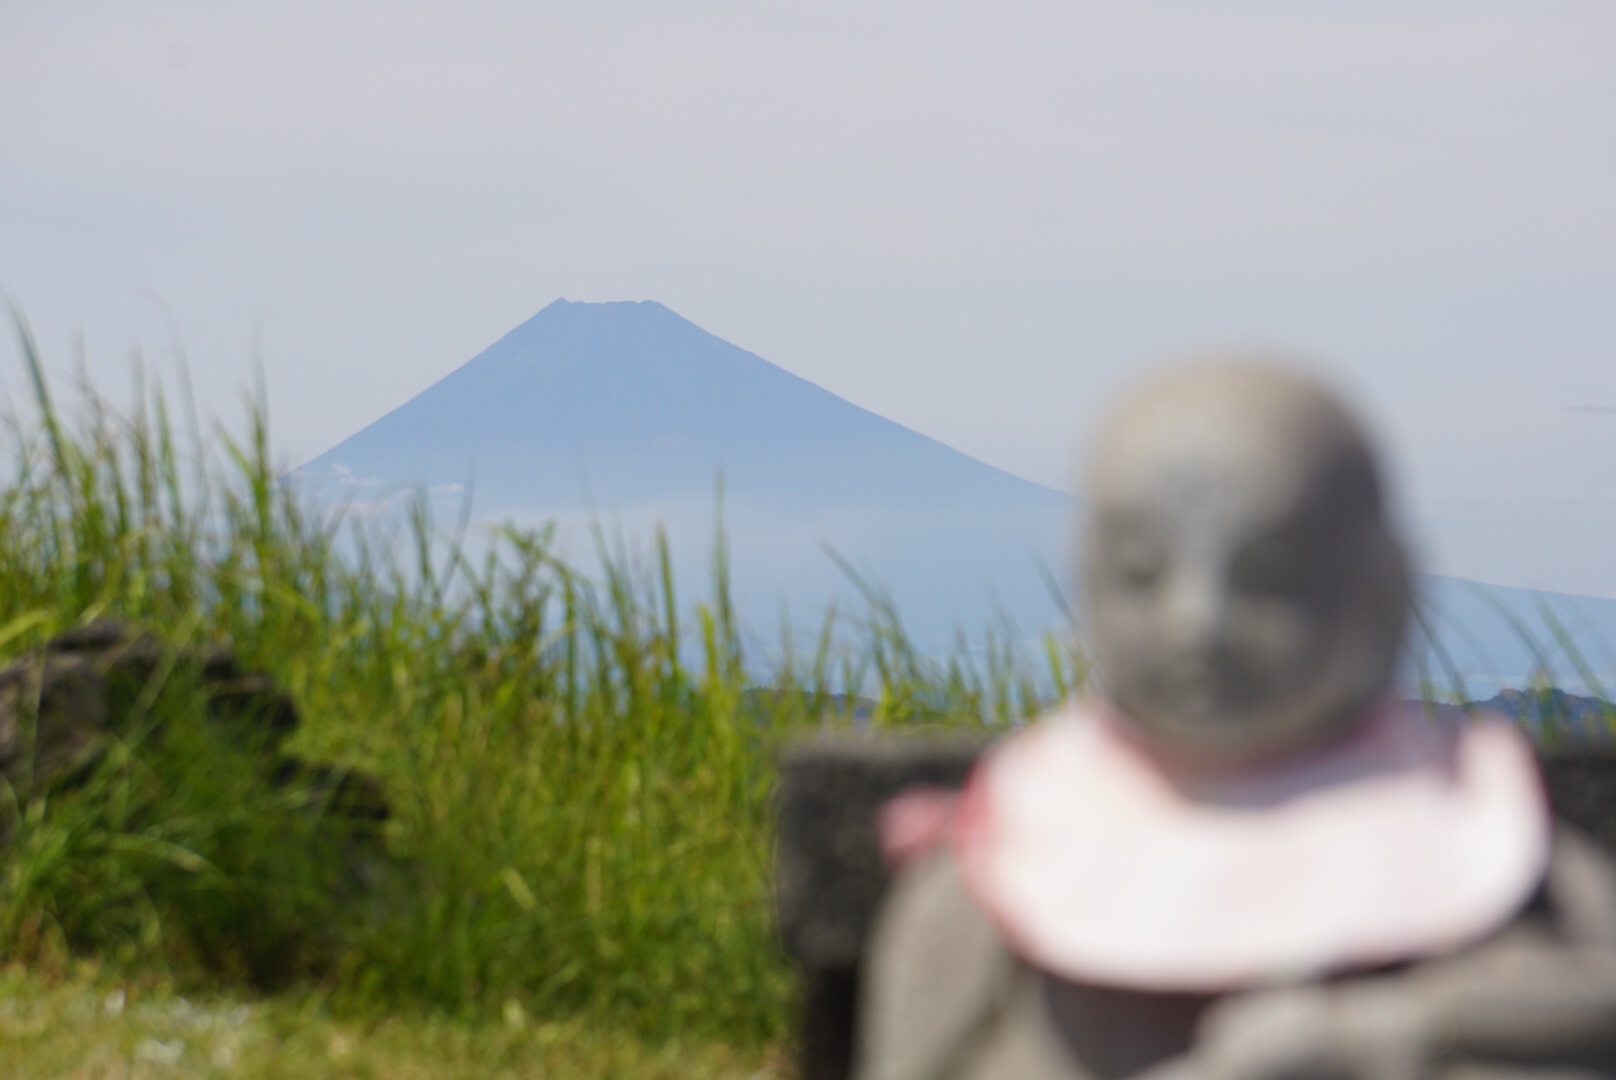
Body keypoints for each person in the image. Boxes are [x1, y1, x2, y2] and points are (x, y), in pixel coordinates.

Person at [855, 360, 1616, 1080]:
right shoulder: (993, 885)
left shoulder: (1491, 859)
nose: (1198, 624)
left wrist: (1389, 1032)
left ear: (1386, 591)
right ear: (1085, 580)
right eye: (1140, 574)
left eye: (1272, 578)